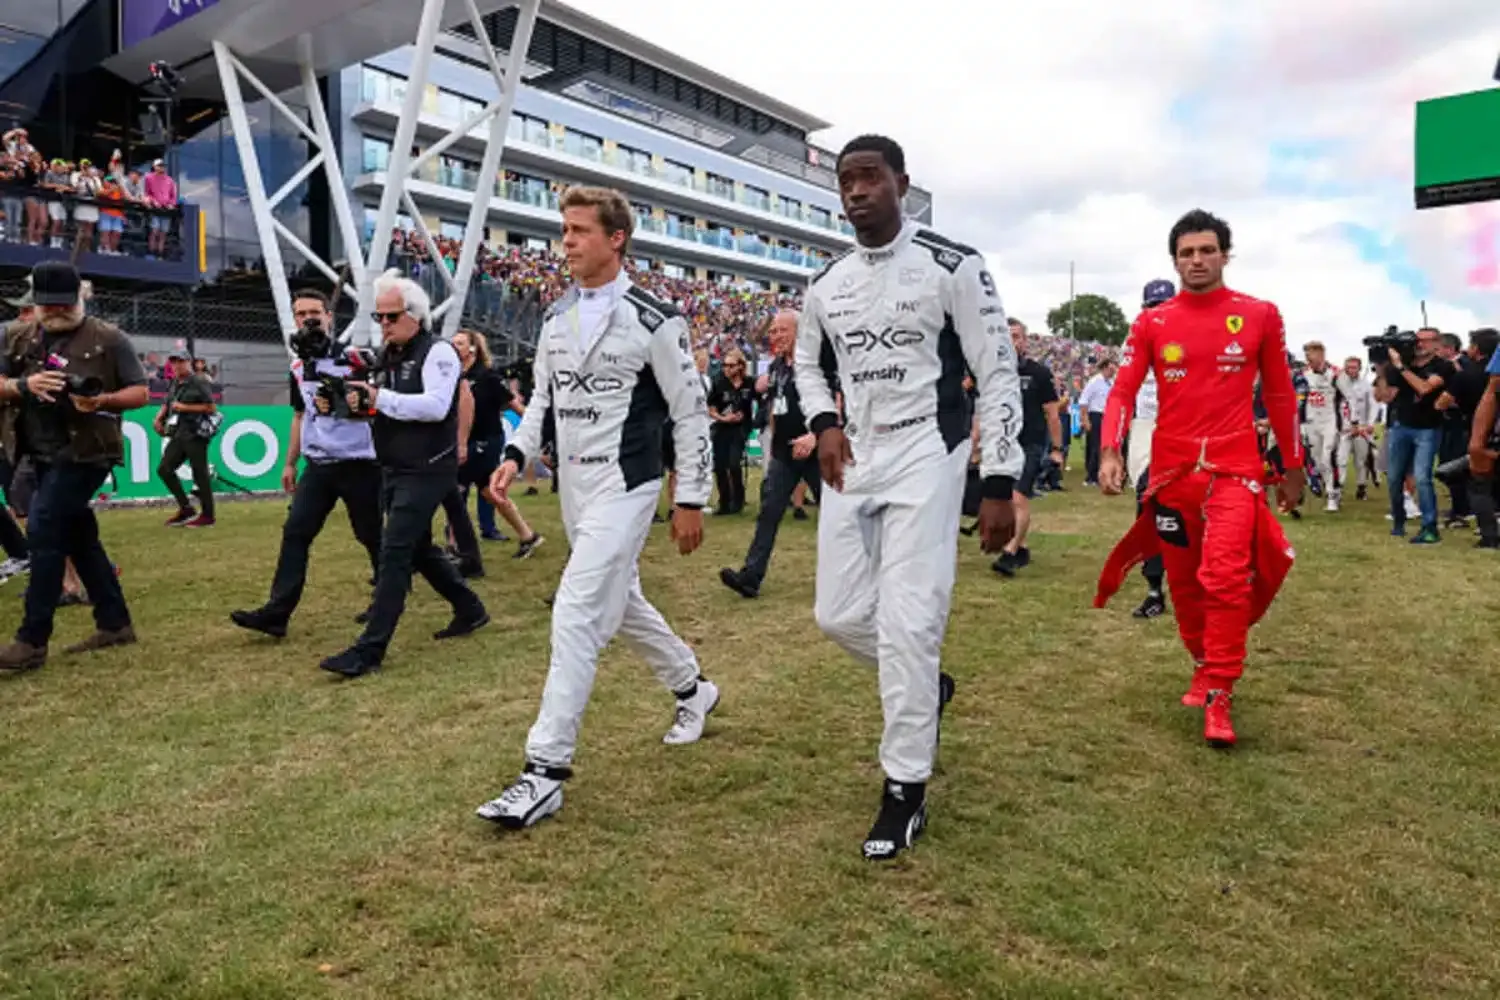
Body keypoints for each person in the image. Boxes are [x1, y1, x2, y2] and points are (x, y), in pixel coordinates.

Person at [794, 134, 1022, 861]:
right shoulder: (827, 282)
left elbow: (999, 372)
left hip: (930, 449)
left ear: (902, 182)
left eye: (870, 178)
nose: (856, 191)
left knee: (910, 620)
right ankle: (926, 684)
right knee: (836, 615)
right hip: (855, 457)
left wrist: (998, 479)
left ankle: (904, 789)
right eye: (846, 181)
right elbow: (803, 362)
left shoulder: (955, 263)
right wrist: (823, 421)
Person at [474, 186, 717, 831]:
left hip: (629, 483)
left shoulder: (656, 318)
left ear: (617, 239)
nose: (568, 242)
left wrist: (690, 496)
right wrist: (516, 453)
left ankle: (544, 771)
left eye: (580, 230)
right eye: (565, 230)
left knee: (578, 609)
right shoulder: (554, 319)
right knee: (623, 602)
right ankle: (695, 690)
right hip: (574, 489)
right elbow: (542, 405)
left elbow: (691, 412)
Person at [1093, 209, 1304, 749]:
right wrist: (1111, 449)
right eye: (1186, 253)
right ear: (1175, 261)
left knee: (1227, 576)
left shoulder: (1259, 315)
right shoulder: (1151, 323)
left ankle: (1220, 693)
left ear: (1225, 255)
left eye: (1207, 250)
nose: (1197, 261)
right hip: (1171, 474)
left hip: (1234, 471)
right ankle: (1204, 661)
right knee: (1184, 585)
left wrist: (1293, 464)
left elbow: (1279, 395)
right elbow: (1120, 392)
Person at [317, 270, 489, 678]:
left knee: (395, 551)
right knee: (418, 549)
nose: (384, 325)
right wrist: (343, 405)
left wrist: (377, 397)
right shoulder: (389, 355)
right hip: (396, 465)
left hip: (429, 468)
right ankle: (471, 608)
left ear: (415, 314)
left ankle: (370, 649)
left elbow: (432, 406)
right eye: (379, 318)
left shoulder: (439, 352)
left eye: (391, 317)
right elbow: (381, 406)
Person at [0, 261, 149, 671]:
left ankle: (31, 640)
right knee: (80, 536)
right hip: (38, 451)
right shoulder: (17, 336)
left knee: (45, 528)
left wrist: (102, 401)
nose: (57, 311)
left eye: (64, 303)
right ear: (36, 304)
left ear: (80, 298)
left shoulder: (108, 338)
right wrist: (22, 386)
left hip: (89, 451)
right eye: (48, 305)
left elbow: (140, 392)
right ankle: (114, 623)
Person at [229, 288, 384, 639]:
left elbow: (376, 406)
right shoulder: (298, 365)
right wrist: (289, 462)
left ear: (330, 316)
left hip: (359, 462)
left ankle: (386, 597)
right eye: (302, 314)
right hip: (319, 465)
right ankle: (277, 613)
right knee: (296, 532)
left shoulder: (353, 358)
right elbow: (300, 415)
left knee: (371, 534)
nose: (309, 319)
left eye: (316, 312)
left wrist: (343, 402)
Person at [719, 309, 830, 598]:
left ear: (800, 331)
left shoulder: (818, 361)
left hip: (818, 453)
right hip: (784, 453)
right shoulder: (778, 366)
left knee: (837, 517)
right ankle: (751, 577)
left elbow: (839, 402)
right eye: (773, 331)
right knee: (768, 513)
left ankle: (858, 577)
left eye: (782, 330)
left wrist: (816, 436)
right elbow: (774, 405)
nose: (775, 336)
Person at [445, 329, 543, 562]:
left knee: (456, 488)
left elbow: (513, 403)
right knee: (490, 492)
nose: (454, 347)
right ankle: (527, 536)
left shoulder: (487, 376)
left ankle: (454, 546)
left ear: (472, 349)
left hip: (485, 440)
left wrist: (536, 426)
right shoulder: (453, 375)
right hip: (465, 439)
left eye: (459, 343)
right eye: (452, 343)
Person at [991, 317, 1063, 577]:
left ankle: (1010, 552)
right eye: (1007, 336)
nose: (1012, 341)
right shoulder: (993, 372)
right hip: (1001, 443)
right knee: (1004, 499)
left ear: (1024, 340)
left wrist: (1057, 449)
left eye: (1017, 336)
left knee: (1019, 497)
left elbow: (1052, 414)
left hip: (1030, 443)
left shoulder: (1039, 373)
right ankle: (1021, 547)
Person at [1126, 278, 1176, 619]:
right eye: (1153, 306)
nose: (1159, 313)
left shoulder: (1197, 337)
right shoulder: (1135, 341)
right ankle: (1155, 588)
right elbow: (1122, 392)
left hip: (1184, 428)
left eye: (1164, 305)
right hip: (1145, 427)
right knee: (1148, 505)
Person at [1373, 328, 1448, 543]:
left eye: (1425, 341)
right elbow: (1385, 397)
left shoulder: (1442, 366)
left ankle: (1430, 527)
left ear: (1436, 343)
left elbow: (1424, 388)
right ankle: (1399, 521)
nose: (1420, 345)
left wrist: (1400, 366)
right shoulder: (1403, 365)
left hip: (1428, 428)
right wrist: (1381, 371)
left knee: (1423, 477)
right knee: (1394, 477)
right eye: (1418, 340)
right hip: (1400, 426)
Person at [154, 351, 218, 527]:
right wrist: (159, 418)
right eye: (174, 362)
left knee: (200, 473)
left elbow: (211, 407)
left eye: (181, 361)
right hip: (179, 433)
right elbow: (168, 402)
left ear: (189, 362)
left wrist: (185, 407)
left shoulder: (198, 381)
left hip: (196, 432)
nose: (177, 365)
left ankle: (208, 515)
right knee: (164, 469)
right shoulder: (175, 382)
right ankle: (186, 508)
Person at [1300, 341, 1347, 512]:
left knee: (1328, 457)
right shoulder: (1303, 374)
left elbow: (1348, 397)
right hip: (1312, 422)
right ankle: (1331, 486)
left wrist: (1350, 422)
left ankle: (1332, 495)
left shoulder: (1336, 373)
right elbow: (1299, 397)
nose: (1308, 359)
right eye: (1306, 355)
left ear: (1321, 355)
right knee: (1318, 461)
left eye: (1310, 355)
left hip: (1330, 421)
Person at [707, 348, 755, 514]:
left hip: (740, 429)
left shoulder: (749, 383)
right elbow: (711, 408)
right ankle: (724, 502)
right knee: (720, 466)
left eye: (730, 365)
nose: (726, 369)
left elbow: (761, 400)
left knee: (734, 464)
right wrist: (722, 418)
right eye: (724, 365)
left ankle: (738, 500)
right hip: (722, 427)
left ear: (740, 366)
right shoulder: (719, 382)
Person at [1337, 357, 1376, 500]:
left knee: (1360, 460)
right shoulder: (1338, 384)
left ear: (1359, 368)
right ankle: (1338, 488)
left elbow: (1373, 405)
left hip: (1361, 428)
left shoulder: (1366, 386)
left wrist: (1370, 423)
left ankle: (1361, 487)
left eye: (1354, 367)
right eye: (1348, 367)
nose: (1351, 370)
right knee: (1341, 459)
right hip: (1344, 428)